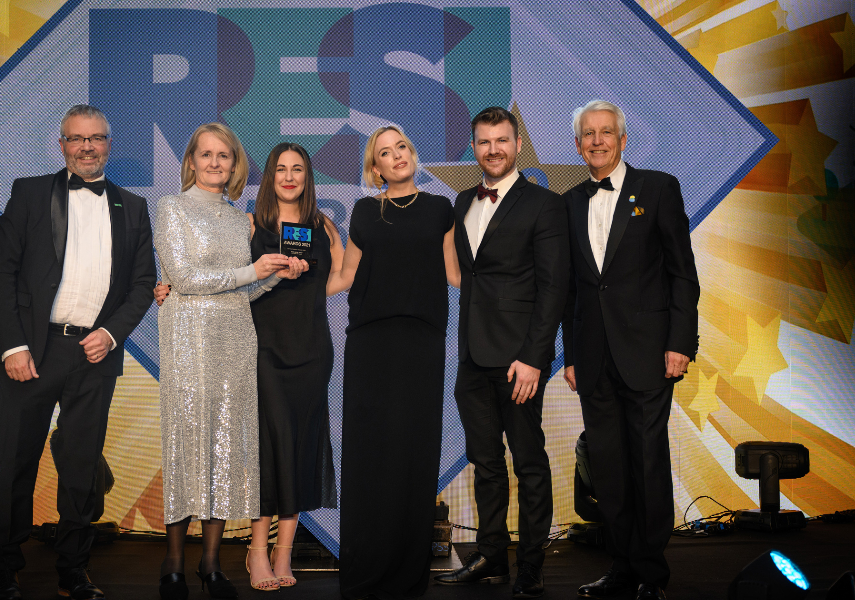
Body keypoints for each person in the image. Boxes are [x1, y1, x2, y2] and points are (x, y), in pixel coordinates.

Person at [0, 104, 157, 600]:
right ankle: (5, 568)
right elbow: (2, 272)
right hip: (32, 352)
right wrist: (12, 346)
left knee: (81, 468)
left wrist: (112, 334)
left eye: (96, 138)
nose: (87, 147)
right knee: (17, 462)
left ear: (109, 144)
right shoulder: (30, 192)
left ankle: (73, 571)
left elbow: (143, 284)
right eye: (76, 138)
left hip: (94, 354)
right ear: (61, 145)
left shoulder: (133, 206)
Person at [155, 142, 343, 592]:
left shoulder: (321, 225)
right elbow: (217, 274)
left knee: (295, 447)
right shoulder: (249, 223)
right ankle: (237, 555)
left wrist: (291, 279)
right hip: (254, 346)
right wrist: (172, 291)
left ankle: (268, 554)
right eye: (281, 168)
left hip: (308, 347)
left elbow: (335, 275)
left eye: (298, 169)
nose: (290, 176)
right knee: (257, 450)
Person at [561, 101, 699, 600]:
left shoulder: (659, 187)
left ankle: (651, 574)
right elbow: (572, 289)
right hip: (593, 358)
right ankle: (621, 567)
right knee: (609, 470)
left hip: (648, 353)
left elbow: (682, 271)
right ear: (577, 145)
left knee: (646, 462)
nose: (597, 141)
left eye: (605, 133)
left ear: (622, 139)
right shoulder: (570, 201)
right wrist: (570, 355)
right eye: (588, 135)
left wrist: (680, 343)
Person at [433, 106, 568, 599]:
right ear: (474, 147)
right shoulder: (463, 199)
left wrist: (536, 357)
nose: (493, 149)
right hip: (472, 357)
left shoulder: (543, 204)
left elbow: (553, 288)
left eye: (502, 141)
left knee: (528, 463)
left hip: (518, 361)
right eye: (485, 142)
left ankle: (530, 568)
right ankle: (491, 555)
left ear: (516, 145)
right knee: (484, 463)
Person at [329, 125, 460, 600]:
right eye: (385, 152)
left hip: (421, 346)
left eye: (401, 146)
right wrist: (293, 285)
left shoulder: (441, 208)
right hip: (369, 346)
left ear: (412, 152)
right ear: (375, 167)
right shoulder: (364, 212)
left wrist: (513, 278)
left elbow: (453, 273)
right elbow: (345, 277)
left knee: (412, 454)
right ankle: (364, 570)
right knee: (368, 457)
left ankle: (407, 577)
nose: (396, 156)